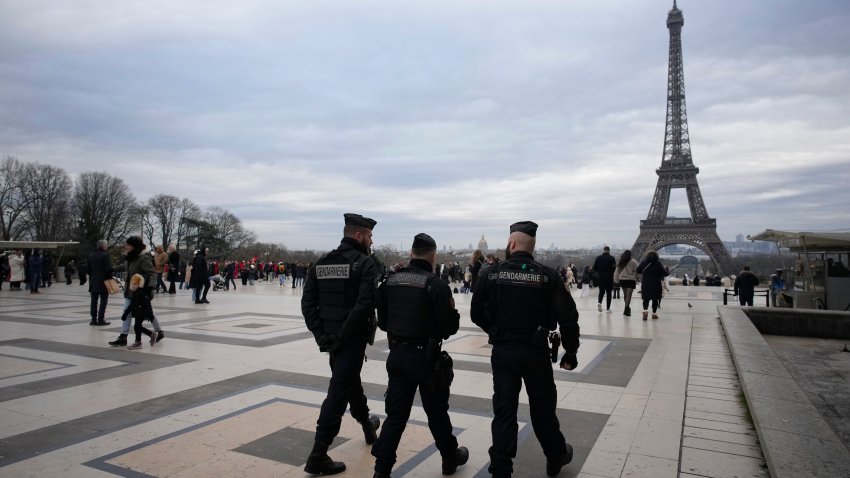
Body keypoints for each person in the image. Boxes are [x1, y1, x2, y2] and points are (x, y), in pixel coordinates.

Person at [471, 221, 580, 478]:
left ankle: (501, 468)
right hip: (536, 352)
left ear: (511, 244)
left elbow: (477, 313)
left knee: (504, 411)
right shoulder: (547, 276)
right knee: (543, 410)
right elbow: (568, 317)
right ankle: (555, 456)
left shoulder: (491, 274)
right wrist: (571, 351)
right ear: (533, 246)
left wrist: (495, 331)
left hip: (504, 351)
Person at [371, 233, 469, 478]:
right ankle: (449, 459)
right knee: (436, 414)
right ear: (433, 256)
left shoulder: (390, 281)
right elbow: (449, 328)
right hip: (426, 359)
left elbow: (382, 322)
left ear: (410, 254)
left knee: (395, 417)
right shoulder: (435, 285)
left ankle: (381, 470)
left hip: (398, 355)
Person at [300, 213, 382, 475]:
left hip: (331, 337)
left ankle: (367, 425)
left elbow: (308, 303)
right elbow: (363, 306)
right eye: (369, 236)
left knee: (348, 381)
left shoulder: (321, 262)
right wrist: (343, 336)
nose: (371, 241)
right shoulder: (365, 264)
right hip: (350, 339)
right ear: (358, 235)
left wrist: (321, 335)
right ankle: (319, 453)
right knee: (338, 390)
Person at [87, 240, 113, 326]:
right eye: (106, 245)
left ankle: (93, 319)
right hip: (103, 281)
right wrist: (111, 280)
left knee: (93, 301)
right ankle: (101, 319)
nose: (107, 247)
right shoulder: (106, 255)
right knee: (103, 301)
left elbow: (88, 270)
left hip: (93, 281)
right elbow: (108, 269)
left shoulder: (91, 255)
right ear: (103, 246)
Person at [636, 250, 668, 320]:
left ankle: (645, 311)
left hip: (646, 283)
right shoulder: (658, 263)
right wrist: (667, 271)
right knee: (655, 299)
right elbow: (664, 273)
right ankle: (654, 314)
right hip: (656, 284)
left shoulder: (643, 262)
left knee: (646, 299)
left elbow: (638, 270)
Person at [614, 250, 639, 317]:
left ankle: (626, 308)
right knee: (629, 295)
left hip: (623, 279)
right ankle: (626, 308)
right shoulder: (634, 262)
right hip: (631, 280)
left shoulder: (621, 261)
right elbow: (638, 270)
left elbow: (617, 271)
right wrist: (638, 278)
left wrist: (616, 280)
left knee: (625, 295)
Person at [592, 246, 617, 312]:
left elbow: (594, 268)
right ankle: (608, 308)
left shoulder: (598, 258)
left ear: (603, 250)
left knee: (601, 292)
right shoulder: (612, 258)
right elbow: (614, 268)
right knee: (609, 293)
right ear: (609, 251)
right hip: (609, 278)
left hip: (600, 278)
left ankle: (599, 303)